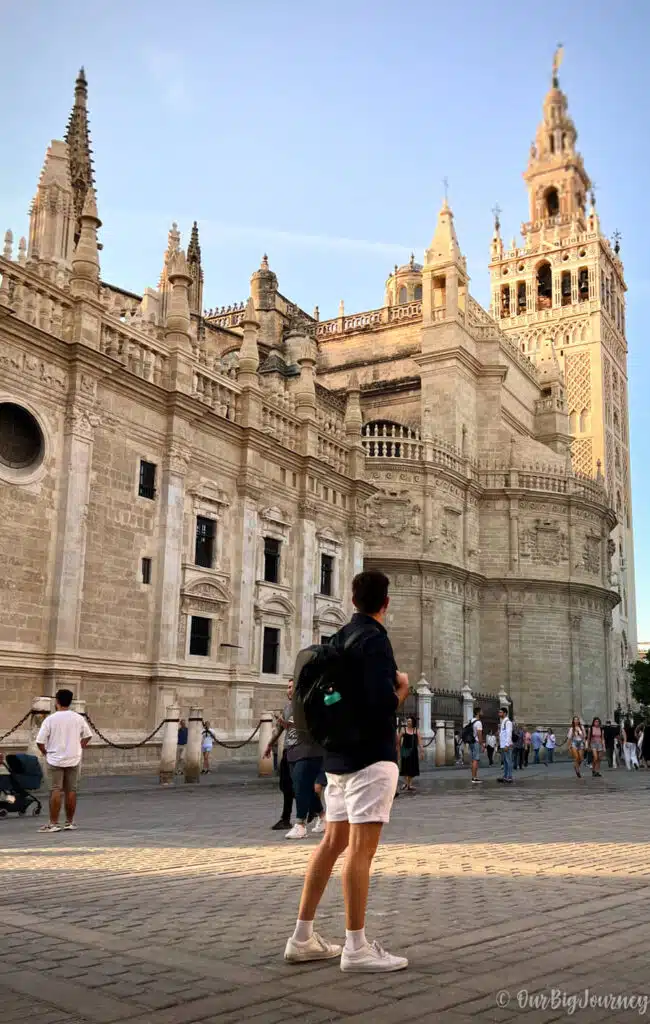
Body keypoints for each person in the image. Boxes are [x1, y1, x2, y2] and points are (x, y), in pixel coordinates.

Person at [284, 569, 409, 973]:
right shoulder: (374, 640)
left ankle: (302, 937)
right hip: (369, 759)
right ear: (384, 604)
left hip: (335, 759)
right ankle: (356, 947)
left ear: (352, 600)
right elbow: (378, 704)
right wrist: (401, 692)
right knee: (360, 850)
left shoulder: (337, 638)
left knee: (332, 842)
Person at [35, 689, 92, 833]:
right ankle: (69, 821)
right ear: (70, 701)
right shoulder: (78, 718)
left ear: (57, 701)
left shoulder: (50, 719)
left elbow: (40, 741)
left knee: (55, 789)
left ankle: (53, 823)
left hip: (54, 758)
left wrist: (46, 753)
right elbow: (87, 735)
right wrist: (79, 747)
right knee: (71, 790)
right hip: (73, 758)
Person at [265, 679, 297, 831]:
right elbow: (279, 729)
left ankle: (316, 811)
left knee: (299, 785)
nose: (289, 690)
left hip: (301, 750)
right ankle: (286, 819)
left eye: (292, 687)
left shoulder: (304, 706)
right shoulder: (287, 707)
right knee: (285, 785)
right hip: (288, 749)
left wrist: (288, 724)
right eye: (288, 687)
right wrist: (269, 745)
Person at [399, 717, 422, 792]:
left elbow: (420, 741)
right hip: (405, 750)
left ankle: (409, 784)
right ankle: (407, 784)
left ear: (413, 722)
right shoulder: (403, 730)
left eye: (410, 721)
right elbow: (398, 740)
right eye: (407, 721)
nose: (408, 722)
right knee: (405, 767)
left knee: (412, 767)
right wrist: (398, 750)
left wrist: (422, 751)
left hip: (413, 751)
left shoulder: (416, 730)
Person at [497, 707, 513, 784]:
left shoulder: (508, 722)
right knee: (505, 761)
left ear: (505, 713)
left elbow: (509, 734)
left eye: (501, 712)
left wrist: (507, 745)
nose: (499, 714)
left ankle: (509, 777)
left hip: (507, 745)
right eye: (499, 712)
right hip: (503, 745)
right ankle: (505, 776)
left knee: (508, 761)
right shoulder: (503, 721)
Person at [468, 707, 483, 785]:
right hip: (476, 742)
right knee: (476, 760)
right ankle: (474, 778)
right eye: (481, 711)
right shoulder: (478, 722)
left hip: (471, 742)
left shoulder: (471, 720)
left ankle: (474, 776)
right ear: (478, 712)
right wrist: (482, 744)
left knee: (473, 759)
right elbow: (479, 734)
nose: (482, 712)